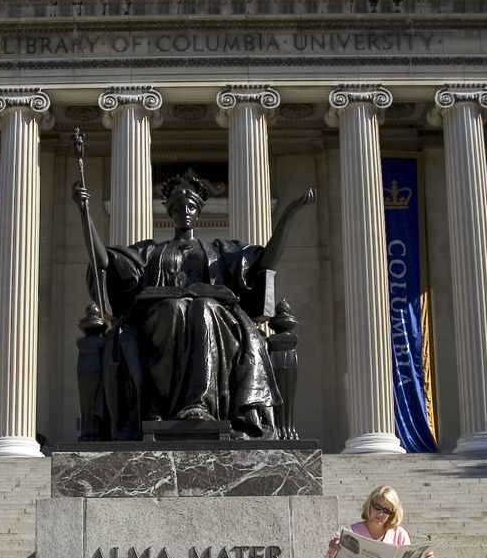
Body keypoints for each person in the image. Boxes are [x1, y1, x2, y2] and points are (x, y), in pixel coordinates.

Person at [73, 168, 315, 440]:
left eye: (189, 206)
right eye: (177, 206)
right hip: (160, 320)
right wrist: (85, 215)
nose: (184, 211)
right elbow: (104, 262)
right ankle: (159, 405)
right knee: (173, 308)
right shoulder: (150, 252)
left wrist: (288, 215)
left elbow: (265, 262)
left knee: (203, 307)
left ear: (198, 211)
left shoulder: (220, 251)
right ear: (169, 211)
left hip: (216, 321)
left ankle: (199, 405)